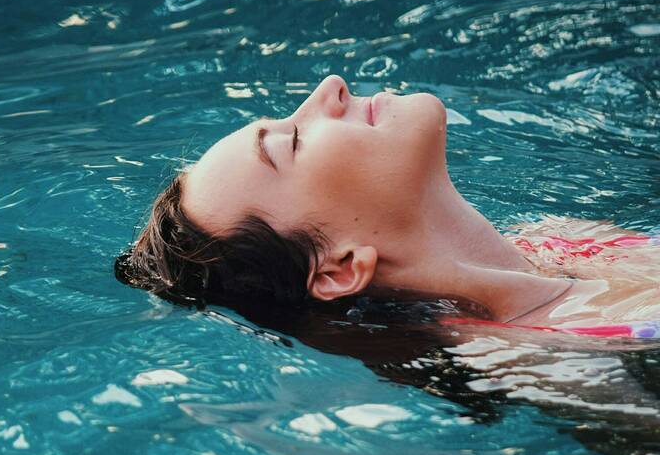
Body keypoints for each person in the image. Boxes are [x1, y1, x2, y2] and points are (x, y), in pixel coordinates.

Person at [115, 74, 659, 340]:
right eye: (294, 141)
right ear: (339, 268)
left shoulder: (566, 238)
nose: (330, 88)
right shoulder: (551, 357)